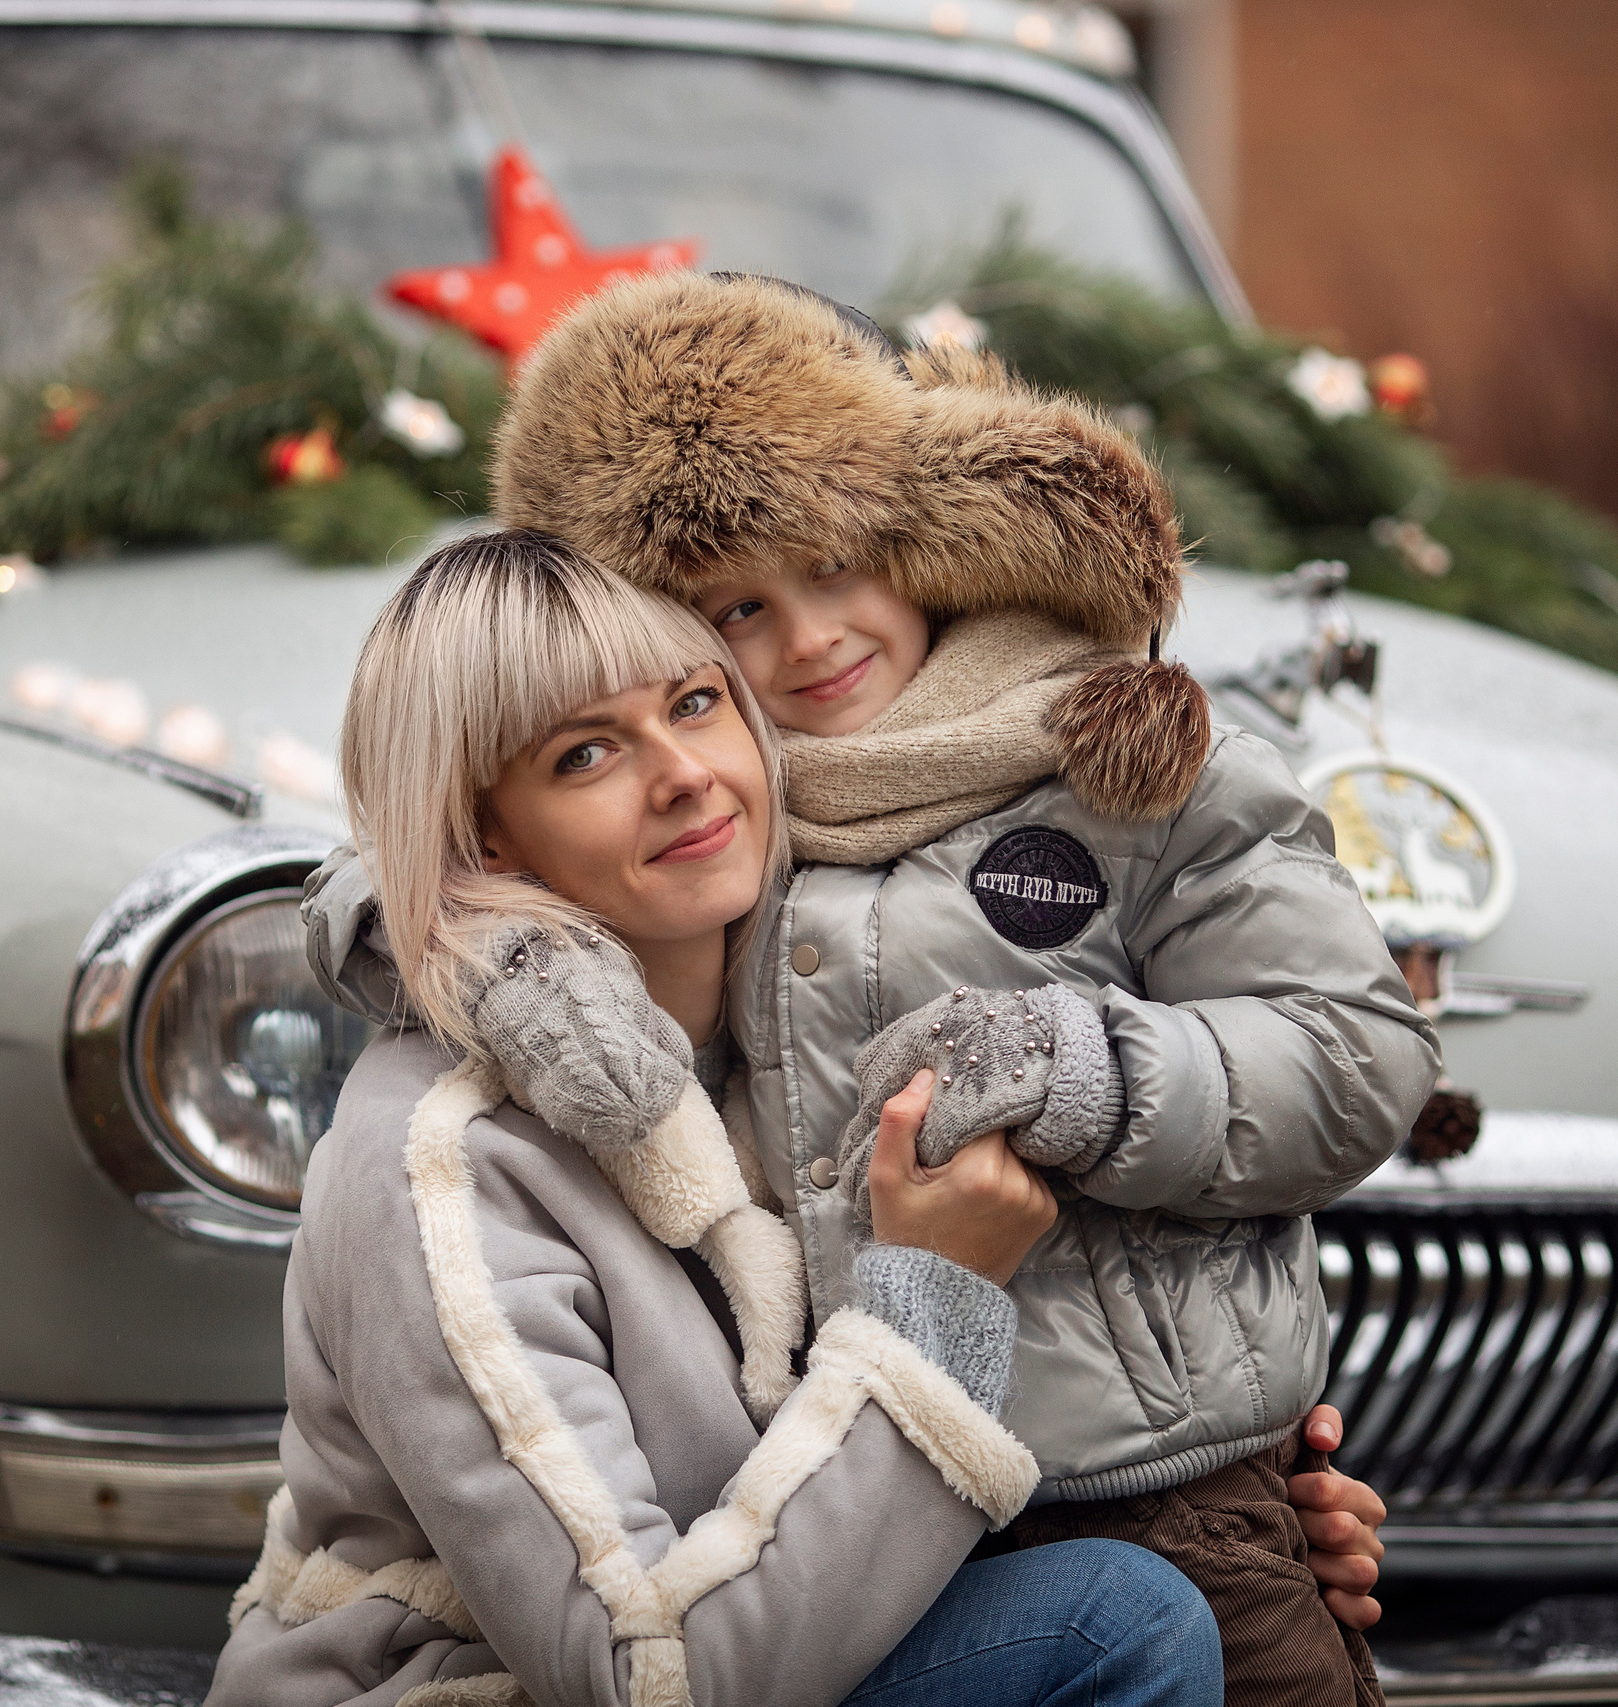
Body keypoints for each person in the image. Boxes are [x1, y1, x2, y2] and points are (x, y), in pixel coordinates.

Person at [213, 531, 1387, 1707]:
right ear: (483, 838)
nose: (682, 774)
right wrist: (937, 1302)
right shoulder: (438, 1160)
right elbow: (641, 1676)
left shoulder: (778, 1036)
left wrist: (1234, 1502)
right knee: (1115, 1622)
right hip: (490, 1686)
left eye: (693, 703)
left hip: (774, 1635)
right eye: (584, 755)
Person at [487, 272, 1438, 1706]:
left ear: (920, 534)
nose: (810, 639)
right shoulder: (704, 802)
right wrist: (496, 955)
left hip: (1162, 1497)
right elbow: (434, 833)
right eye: (738, 609)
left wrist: (1094, 1071)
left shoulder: (1125, 758)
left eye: (834, 563)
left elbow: (1354, 1054)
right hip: (842, 1506)